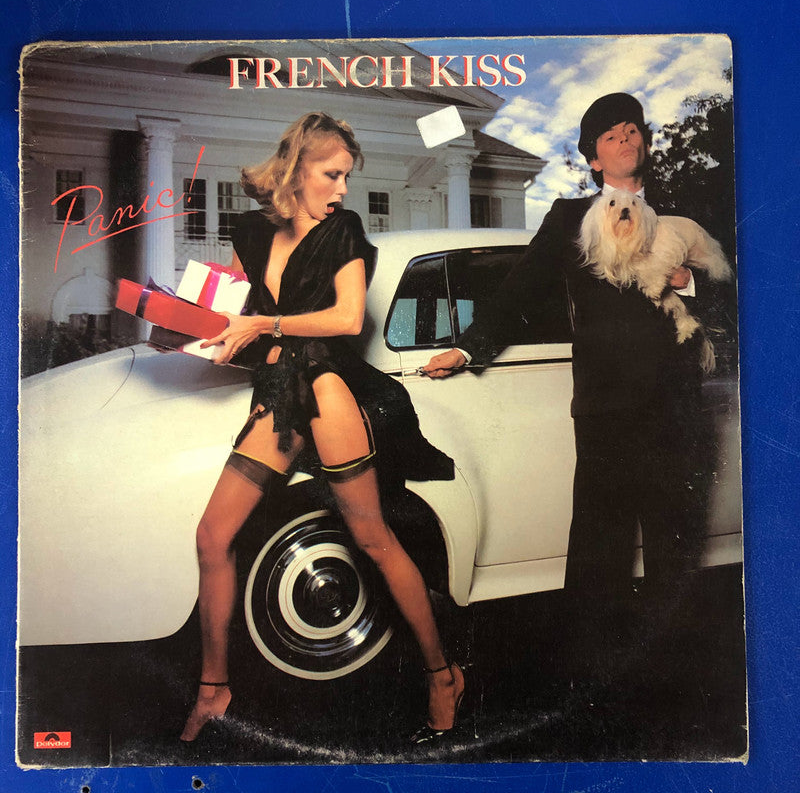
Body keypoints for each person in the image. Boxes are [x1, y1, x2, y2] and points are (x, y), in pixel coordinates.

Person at [180, 112, 464, 745]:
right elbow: (228, 311)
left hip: (328, 389)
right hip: (276, 392)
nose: (341, 188)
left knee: (373, 539)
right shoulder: (250, 231)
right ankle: (214, 688)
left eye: (346, 177)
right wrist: (197, 333)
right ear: (295, 169)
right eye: (331, 174)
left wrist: (263, 326)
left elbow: (345, 319)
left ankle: (442, 674)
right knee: (212, 536)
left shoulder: (344, 230)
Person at [424, 93, 717, 613]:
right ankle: (592, 663)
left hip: (676, 407)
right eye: (612, 135)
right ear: (595, 159)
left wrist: (688, 280)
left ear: (645, 143)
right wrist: (467, 349)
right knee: (599, 552)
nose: (626, 139)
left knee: (675, 551)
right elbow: (518, 291)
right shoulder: (568, 218)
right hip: (607, 409)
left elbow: (731, 289)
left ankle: (672, 662)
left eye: (633, 130)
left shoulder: (682, 219)